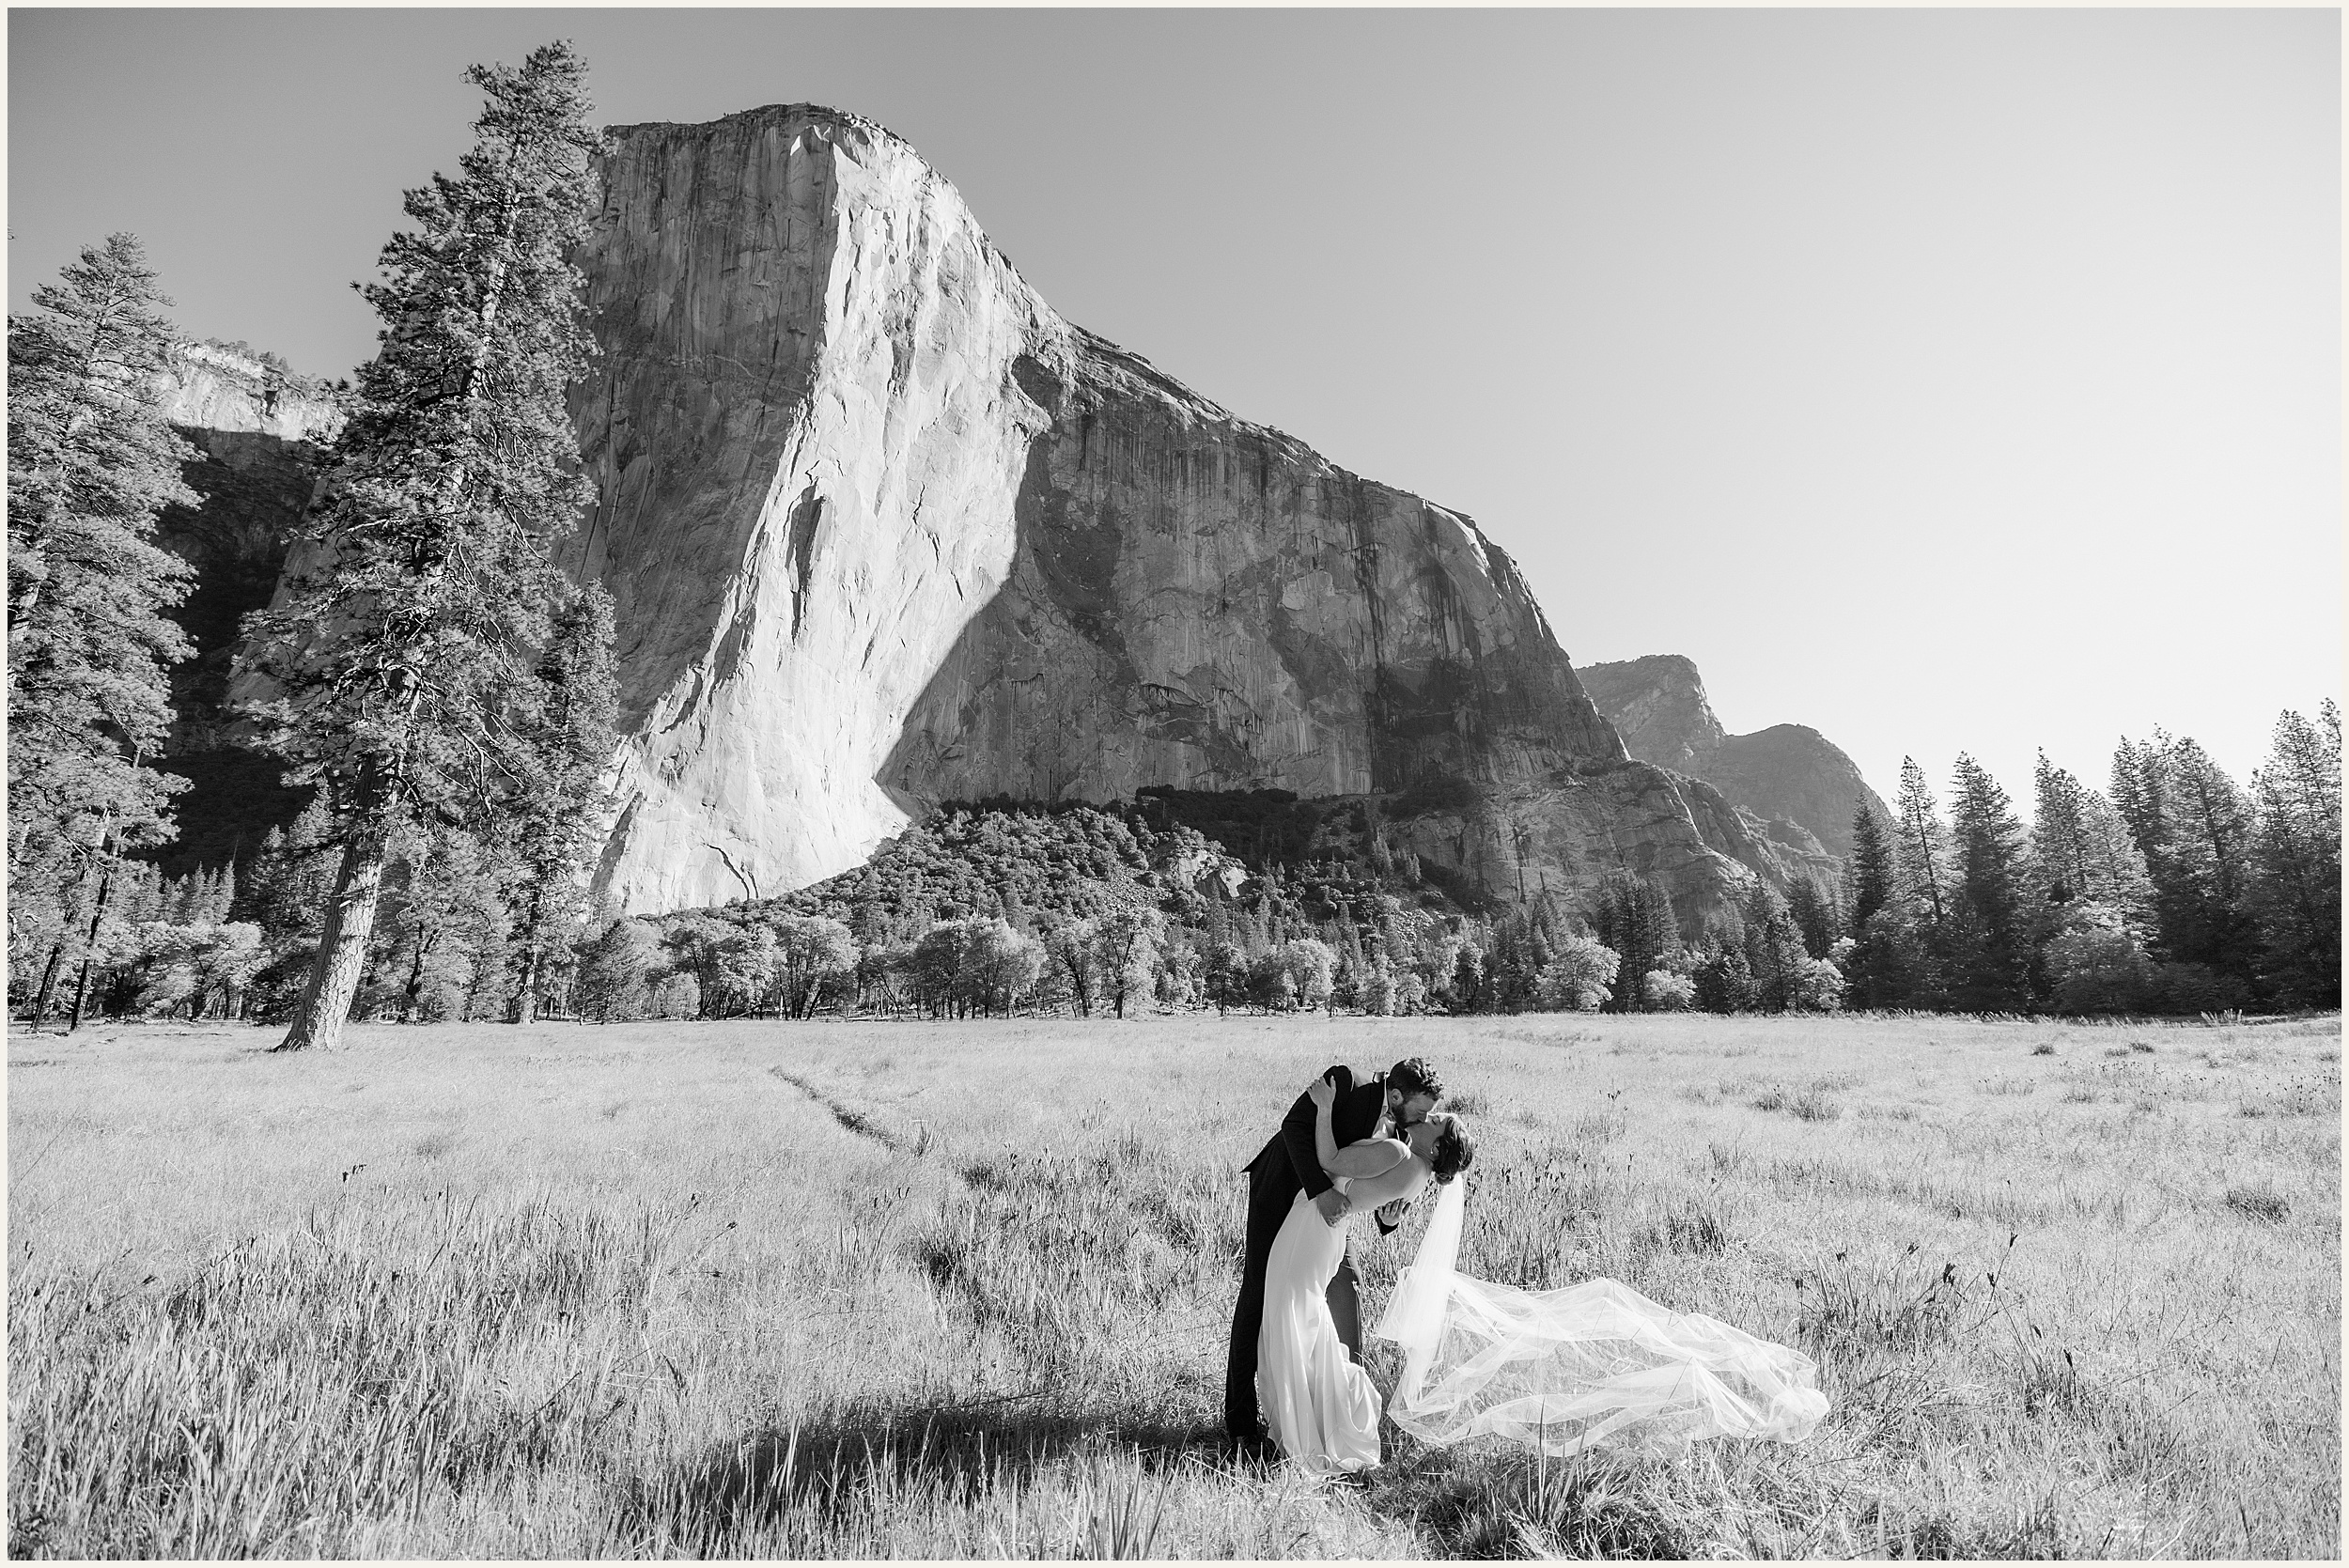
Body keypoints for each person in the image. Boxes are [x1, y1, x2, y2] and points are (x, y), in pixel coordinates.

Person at [1253, 1075, 1475, 1473]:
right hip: (1325, 1232)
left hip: (1314, 1227)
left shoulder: (1399, 1154)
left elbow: (1330, 1162)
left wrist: (1323, 1109)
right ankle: (1309, 1418)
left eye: (1436, 1119)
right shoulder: (1418, 1173)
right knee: (1298, 1322)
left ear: (1437, 1145)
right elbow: (1381, 1201)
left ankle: (1321, 1421)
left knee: (1292, 1321)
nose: (1431, 1115)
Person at [1224, 1056, 1441, 1454]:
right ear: (1395, 1095)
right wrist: (1319, 1192)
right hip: (1284, 1192)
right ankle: (1240, 1424)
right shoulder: (1346, 1081)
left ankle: (1337, 1405)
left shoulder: (1405, 1126)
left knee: (1349, 1289)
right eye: (1422, 1109)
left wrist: (1388, 1219)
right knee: (1257, 1296)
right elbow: (1293, 1128)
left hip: (1330, 1218)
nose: (1426, 1118)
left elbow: (1379, 1181)